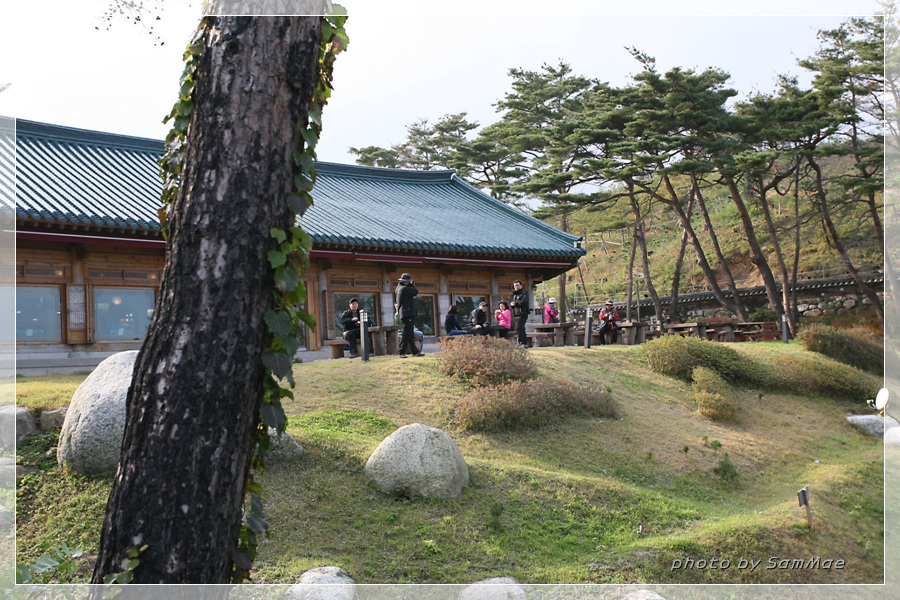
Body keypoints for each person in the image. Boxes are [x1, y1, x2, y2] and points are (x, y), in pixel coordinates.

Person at [394, 273, 423, 358]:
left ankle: (415, 351)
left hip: (405, 312)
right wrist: (411, 284)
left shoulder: (398, 288)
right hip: (407, 312)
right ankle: (401, 352)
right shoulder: (404, 288)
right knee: (406, 333)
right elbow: (415, 291)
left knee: (410, 333)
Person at [510, 279, 529, 347]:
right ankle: (524, 343)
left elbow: (525, 302)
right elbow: (515, 305)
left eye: (518, 285)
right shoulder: (515, 295)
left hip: (523, 313)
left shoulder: (524, 293)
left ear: (521, 286)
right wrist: (512, 305)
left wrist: (516, 303)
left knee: (519, 327)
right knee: (521, 328)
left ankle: (521, 343)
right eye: (515, 286)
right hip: (516, 313)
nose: (516, 287)